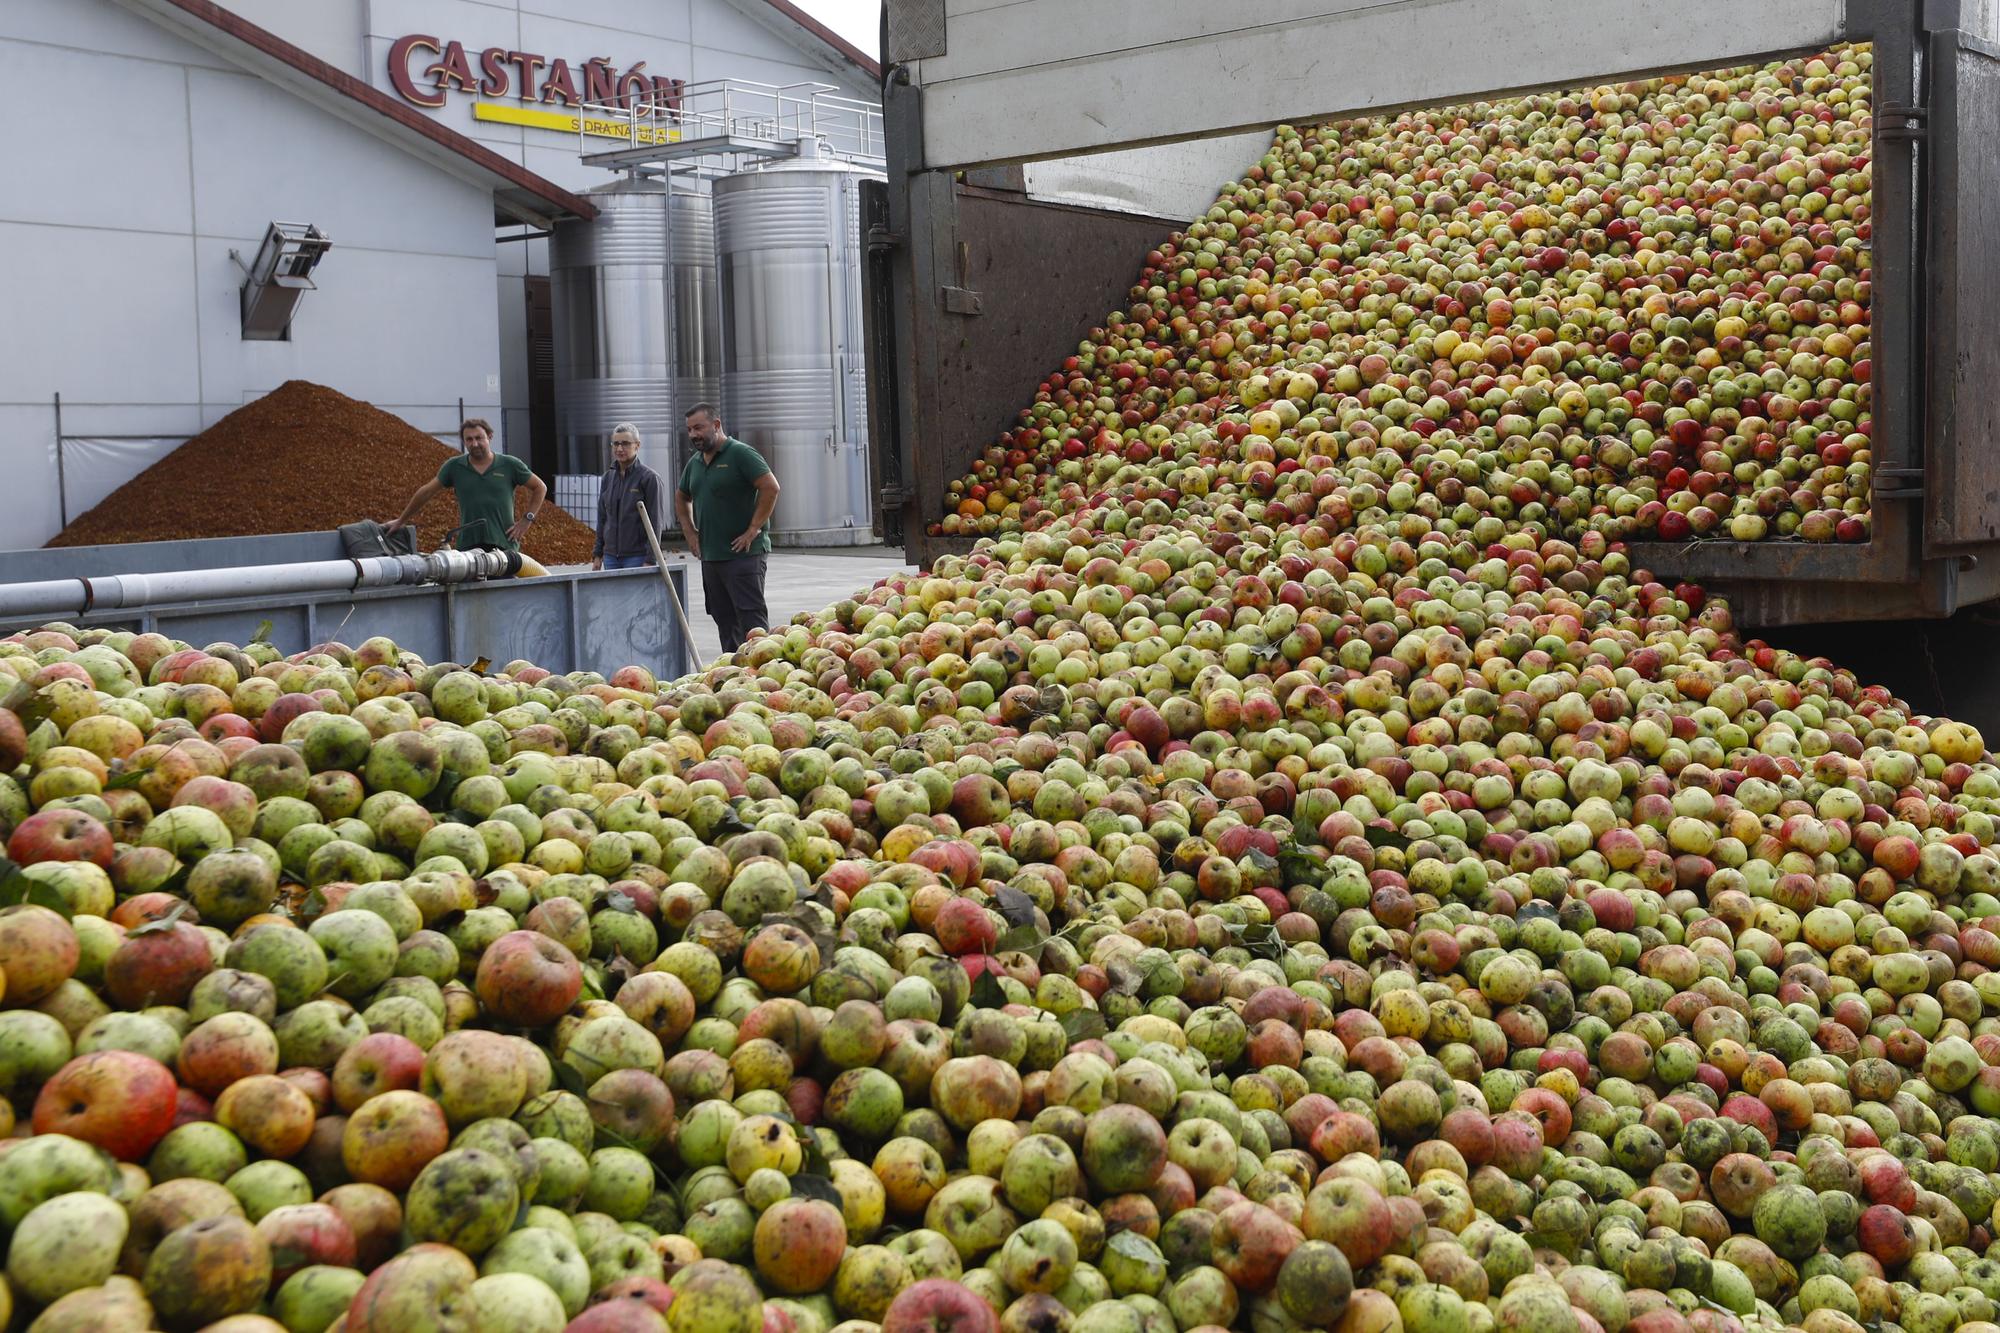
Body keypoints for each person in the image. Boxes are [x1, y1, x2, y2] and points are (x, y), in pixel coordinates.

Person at [675, 402, 780, 655]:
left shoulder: (741, 454)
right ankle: (733, 674)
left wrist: (754, 528)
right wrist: (690, 533)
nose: (693, 435)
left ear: (717, 425)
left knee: (751, 622)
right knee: (724, 619)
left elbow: (770, 487)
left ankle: (761, 674)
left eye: (698, 428)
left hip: (744, 556)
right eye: (689, 430)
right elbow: (681, 497)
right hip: (712, 557)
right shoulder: (696, 463)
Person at [386, 418, 546, 551]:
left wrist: (527, 520)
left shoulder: (510, 465)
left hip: (504, 545)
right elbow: (426, 492)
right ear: (464, 441)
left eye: (479, 438)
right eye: (469, 439)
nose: (474, 443)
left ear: (490, 437)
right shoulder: (455, 467)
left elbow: (540, 487)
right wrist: (401, 520)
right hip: (468, 547)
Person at [591, 422, 667, 571]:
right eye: (616, 444)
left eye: (625, 444)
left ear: (637, 445)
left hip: (637, 557)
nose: (619, 449)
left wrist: (650, 559)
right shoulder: (608, 478)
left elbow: (655, 522)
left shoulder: (649, 479)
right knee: (612, 595)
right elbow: (602, 518)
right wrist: (598, 554)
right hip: (611, 557)